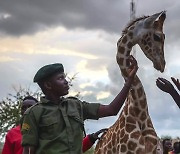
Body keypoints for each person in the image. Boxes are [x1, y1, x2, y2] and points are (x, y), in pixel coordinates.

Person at [21, 55, 138, 154]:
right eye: (61, 78)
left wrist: (128, 82)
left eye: (65, 77)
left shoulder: (76, 105)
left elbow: (111, 110)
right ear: (48, 85)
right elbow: (28, 150)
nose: (66, 81)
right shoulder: (33, 113)